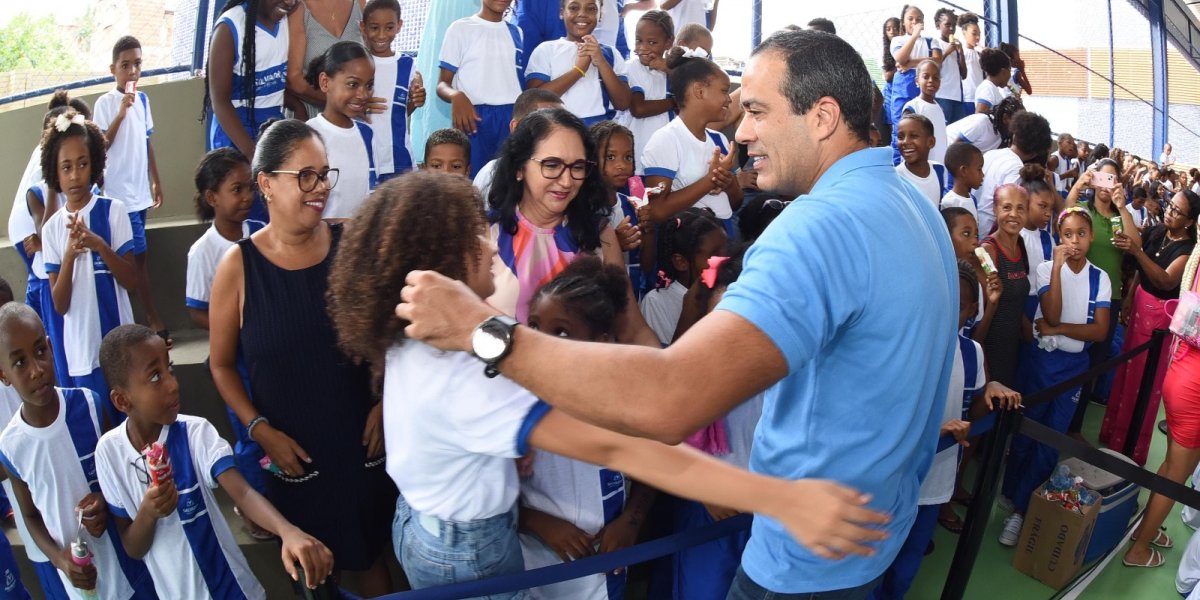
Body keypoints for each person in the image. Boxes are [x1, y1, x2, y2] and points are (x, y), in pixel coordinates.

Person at [394, 30, 959, 599]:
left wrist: (482, 332)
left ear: (824, 115)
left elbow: (668, 400)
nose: (741, 131)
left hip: (806, 561)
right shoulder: (912, 203)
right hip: (866, 537)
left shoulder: (819, 228)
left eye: (758, 111)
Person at [331, 171, 861, 597]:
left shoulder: (423, 326)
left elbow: (497, 318)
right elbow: (618, 445)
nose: (491, 245)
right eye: (473, 238)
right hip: (467, 552)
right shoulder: (463, 377)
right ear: (440, 269)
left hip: (425, 521)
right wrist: (777, 498)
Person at [207, 119, 396, 597]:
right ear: (266, 183)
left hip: (361, 443)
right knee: (314, 577)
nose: (319, 189)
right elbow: (221, 364)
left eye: (323, 175)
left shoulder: (352, 245)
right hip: (290, 454)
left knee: (371, 561)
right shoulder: (237, 267)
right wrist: (259, 429)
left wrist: (384, 403)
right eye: (304, 177)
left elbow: (390, 336)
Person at [94, 324, 334, 599]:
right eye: (155, 376)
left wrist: (286, 530)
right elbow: (133, 548)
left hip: (234, 591)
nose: (173, 384)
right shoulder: (109, 453)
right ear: (122, 400)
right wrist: (149, 512)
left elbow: (242, 492)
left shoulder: (195, 433)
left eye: (170, 369)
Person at [518, 258, 655, 599]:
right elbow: (490, 488)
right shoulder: (516, 399)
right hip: (532, 554)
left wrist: (630, 523)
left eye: (561, 332)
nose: (541, 342)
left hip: (602, 559)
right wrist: (536, 521)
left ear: (603, 340)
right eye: (533, 326)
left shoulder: (623, 400)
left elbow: (654, 469)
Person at [0, 304, 156, 599]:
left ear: (50, 347)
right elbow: (31, 515)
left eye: (40, 352)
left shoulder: (91, 406)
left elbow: (123, 474)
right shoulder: (11, 446)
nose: (36, 369)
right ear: (4, 375)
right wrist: (59, 559)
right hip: (82, 585)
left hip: (130, 569)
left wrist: (104, 501)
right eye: (19, 363)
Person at [486, 108, 655, 344]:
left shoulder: (600, 235)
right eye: (552, 165)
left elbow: (632, 329)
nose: (566, 181)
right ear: (519, 168)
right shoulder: (485, 235)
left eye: (577, 167)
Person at [999, 206, 1111, 545]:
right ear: (1058, 238)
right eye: (1067, 234)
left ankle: (1022, 509)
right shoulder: (1048, 268)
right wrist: (1059, 267)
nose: (1074, 241)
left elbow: (1100, 331)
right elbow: (1049, 309)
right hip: (1041, 363)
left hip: (1072, 368)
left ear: (1091, 237)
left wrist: (1058, 328)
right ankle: (1010, 491)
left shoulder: (1100, 278)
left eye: (1081, 233)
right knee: (1024, 433)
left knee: (1051, 439)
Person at [869, 260, 979, 598]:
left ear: (972, 310)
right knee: (875, 559)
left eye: (959, 306)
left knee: (909, 560)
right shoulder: (906, 345)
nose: (949, 312)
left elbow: (972, 408)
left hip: (936, 479)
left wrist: (992, 392)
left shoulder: (973, 353)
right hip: (893, 478)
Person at [40, 112, 139, 425]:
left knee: (136, 426)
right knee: (102, 430)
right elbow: (60, 304)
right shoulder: (52, 229)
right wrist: (69, 254)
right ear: (55, 173)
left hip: (122, 347)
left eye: (83, 164)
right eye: (66, 167)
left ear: (94, 164)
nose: (75, 175)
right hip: (83, 354)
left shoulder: (114, 212)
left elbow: (132, 280)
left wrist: (99, 245)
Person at [1123, 216, 1200, 568]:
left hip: (1184, 370)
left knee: (1173, 464)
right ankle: (1138, 549)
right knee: (1176, 473)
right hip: (1193, 383)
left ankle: (1147, 529)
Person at [1102, 190, 1198, 465]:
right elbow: (1141, 274)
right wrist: (1131, 296)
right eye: (1170, 206)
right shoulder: (1158, 231)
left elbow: (1166, 280)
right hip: (1141, 302)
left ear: (1190, 221)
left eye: (1177, 211)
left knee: (1143, 379)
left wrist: (1137, 252)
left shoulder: (1188, 250)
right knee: (1126, 371)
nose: (1169, 212)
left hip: (1159, 316)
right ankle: (1113, 434)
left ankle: (1130, 446)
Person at [92, 36, 169, 347]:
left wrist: (156, 180)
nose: (133, 71)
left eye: (137, 64)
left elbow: (146, 142)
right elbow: (101, 146)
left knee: (139, 257)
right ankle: (152, 319)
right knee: (136, 259)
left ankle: (137, 321)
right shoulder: (105, 103)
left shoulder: (145, 101)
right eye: (126, 65)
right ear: (113, 69)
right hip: (117, 198)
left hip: (139, 195)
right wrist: (121, 112)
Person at [1063, 159, 1135, 419]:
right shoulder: (1083, 210)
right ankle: (1060, 417)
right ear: (1093, 181)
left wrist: (1123, 207)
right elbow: (1062, 219)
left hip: (1109, 299)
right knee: (1071, 357)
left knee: (1095, 364)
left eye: (1112, 179)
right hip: (1078, 293)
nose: (1106, 185)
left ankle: (1074, 424)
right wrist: (1078, 186)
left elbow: (1135, 245)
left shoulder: (1119, 218)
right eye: (1102, 178)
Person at [641, 48, 741, 224]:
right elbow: (656, 211)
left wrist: (729, 183)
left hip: (725, 233)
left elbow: (735, 203)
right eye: (724, 91)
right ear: (699, 91)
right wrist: (710, 180)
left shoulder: (719, 140)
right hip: (692, 245)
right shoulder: (666, 140)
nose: (729, 99)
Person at [438, 0, 527, 176]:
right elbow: (442, 84)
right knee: (471, 182)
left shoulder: (517, 32)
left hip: (510, 119)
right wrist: (456, 95)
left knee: (507, 181)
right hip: (473, 119)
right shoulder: (460, 28)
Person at [185, 149, 266, 330]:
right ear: (212, 197)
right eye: (237, 189)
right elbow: (198, 313)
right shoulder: (202, 251)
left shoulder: (262, 231)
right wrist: (235, 332)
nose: (248, 197)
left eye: (250, 188)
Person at [204, 0, 292, 157]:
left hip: (272, 123)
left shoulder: (286, 21)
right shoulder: (230, 27)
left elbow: (273, 84)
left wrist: (299, 108)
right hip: (236, 131)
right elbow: (219, 100)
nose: (290, 2)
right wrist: (253, 155)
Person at [304, 40, 379, 220]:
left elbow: (371, 194)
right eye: (353, 84)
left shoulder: (366, 134)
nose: (363, 95)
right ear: (325, 82)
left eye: (369, 86)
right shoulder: (309, 135)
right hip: (321, 241)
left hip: (356, 241)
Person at [526, 0, 631, 126]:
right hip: (557, 129)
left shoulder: (611, 53)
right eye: (574, 8)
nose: (582, 14)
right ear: (562, 12)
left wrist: (601, 62)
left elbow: (623, 103)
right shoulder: (546, 49)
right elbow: (535, 101)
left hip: (599, 131)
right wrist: (579, 70)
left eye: (591, 9)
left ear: (600, 15)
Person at [640, 208, 726, 345]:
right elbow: (665, 359)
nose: (725, 260)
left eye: (727, 250)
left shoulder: (731, 290)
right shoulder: (656, 302)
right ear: (681, 262)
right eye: (714, 254)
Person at [360, 0, 426, 181]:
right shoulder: (356, 63)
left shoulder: (407, 65)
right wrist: (359, 106)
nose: (381, 35)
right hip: (364, 156)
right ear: (363, 27)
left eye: (389, 27)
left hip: (399, 158)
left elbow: (402, 110)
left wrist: (416, 100)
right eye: (374, 27)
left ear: (399, 26)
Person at [590, 120, 654, 296]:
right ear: (592, 160)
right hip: (600, 299)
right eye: (610, 157)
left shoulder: (632, 205)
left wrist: (647, 228)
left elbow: (646, 265)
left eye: (628, 157)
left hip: (631, 295)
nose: (621, 165)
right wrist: (615, 245)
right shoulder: (586, 211)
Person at [980, 184, 1032, 389]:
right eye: (1006, 207)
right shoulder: (987, 252)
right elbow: (980, 313)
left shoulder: (1020, 244)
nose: (1014, 214)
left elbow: (1014, 297)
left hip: (1012, 348)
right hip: (990, 350)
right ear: (995, 209)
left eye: (1020, 208)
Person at [476, 89, 565, 200]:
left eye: (560, 127)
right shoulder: (490, 174)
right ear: (515, 127)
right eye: (542, 126)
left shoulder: (569, 174)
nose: (553, 135)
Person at [615, 10, 675, 171]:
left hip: (665, 152)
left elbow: (691, 91)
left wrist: (668, 70)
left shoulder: (673, 71)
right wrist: (674, 102)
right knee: (638, 195)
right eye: (638, 40)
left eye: (652, 42)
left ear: (668, 43)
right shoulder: (632, 68)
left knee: (660, 193)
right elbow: (638, 108)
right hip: (637, 152)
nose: (643, 48)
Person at [286, 0, 367, 120]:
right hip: (309, 118)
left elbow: (371, 61)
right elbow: (293, 79)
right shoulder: (298, 8)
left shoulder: (360, 3)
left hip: (356, 116)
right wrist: (344, 100)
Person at [978, 110, 1051, 238]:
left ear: (1014, 135)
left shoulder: (991, 154)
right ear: (1036, 152)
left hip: (976, 220)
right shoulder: (1016, 168)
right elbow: (1008, 206)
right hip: (990, 230)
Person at [889, 5, 942, 157]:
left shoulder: (931, 41)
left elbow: (937, 60)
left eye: (919, 19)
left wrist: (910, 63)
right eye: (910, 19)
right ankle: (898, 167)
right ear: (903, 22)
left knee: (923, 129)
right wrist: (914, 36)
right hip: (903, 88)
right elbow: (900, 57)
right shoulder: (898, 40)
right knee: (901, 128)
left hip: (923, 88)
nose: (914, 22)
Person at [901, 59, 948, 164]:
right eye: (926, 77)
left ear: (939, 82)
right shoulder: (913, 107)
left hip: (939, 165)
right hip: (919, 167)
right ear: (917, 81)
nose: (931, 80)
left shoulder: (939, 108)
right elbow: (906, 141)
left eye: (935, 78)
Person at [946, 91, 1022, 155]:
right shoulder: (982, 121)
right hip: (946, 149)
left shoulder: (1000, 137)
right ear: (1005, 118)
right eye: (1016, 122)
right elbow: (955, 148)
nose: (1017, 128)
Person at [895, 113, 946, 204]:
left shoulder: (938, 170)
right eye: (900, 137)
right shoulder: (896, 177)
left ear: (931, 142)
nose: (905, 142)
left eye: (914, 136)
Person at [932, 8, 966, 125]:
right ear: (938, 25)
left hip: (957, 96)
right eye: (947, 25)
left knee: (957, 130)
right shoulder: (935, 43)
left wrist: (961, 52)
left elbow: (964, 74)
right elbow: (934, 68)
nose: (951, 29)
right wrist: (946, 52)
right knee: (943, 128)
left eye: (954, 25)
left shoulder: (956, 47)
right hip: (942, 95)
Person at [941, 141, 982, 219]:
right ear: (964, 171)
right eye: (979, 169)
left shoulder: (972, 199)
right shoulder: (949, 203)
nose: (982, 175)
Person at [957, 12, 983, 117]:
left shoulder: (979, 54)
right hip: (968, 98)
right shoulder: (961, 52)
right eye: (974, 33)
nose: (977, 37)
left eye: (979, 34)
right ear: (964, 32)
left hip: (980, 97)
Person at [974, 48, 1012, 114]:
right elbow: (979, 115)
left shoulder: (992, 87)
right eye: (1010, 70)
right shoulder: (987, 89)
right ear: (1004, 72)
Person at [1050, 133, 1080, 198]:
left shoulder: (1067, 161)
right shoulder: (1054, 159)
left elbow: (1066, 185)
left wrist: (1074, 193)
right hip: (1054, 193)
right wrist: (1066, 175)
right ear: (1059, 143)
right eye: (1069, 142)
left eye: (1072, 144)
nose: (1071, 146)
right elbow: (1049, 180)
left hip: (1063, 193)